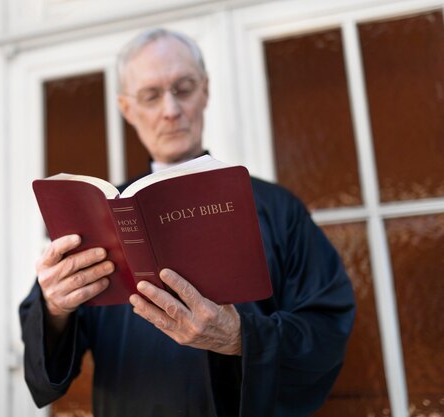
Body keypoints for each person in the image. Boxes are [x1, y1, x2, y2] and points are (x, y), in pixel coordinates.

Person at [19, 28, 355, 416]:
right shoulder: (98, 217)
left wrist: (240, 338)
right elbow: (48, 364)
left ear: (206, 91)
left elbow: (327, 330)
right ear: (127, 109)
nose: (171, 110)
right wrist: (55, 306)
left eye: (184, 88)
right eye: (151, 95)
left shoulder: (277, 208)